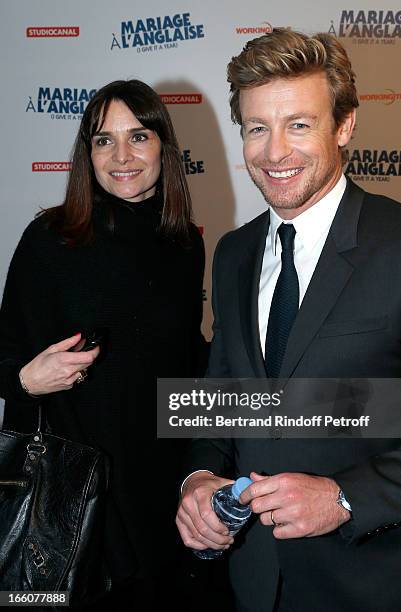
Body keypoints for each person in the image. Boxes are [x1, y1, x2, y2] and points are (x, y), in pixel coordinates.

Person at [176, 29, 401, 612]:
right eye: (257, 128)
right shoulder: (231, 253)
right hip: (253, 582)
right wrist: (198, 478)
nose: (274, 152)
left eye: (298, 125)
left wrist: (347, 498)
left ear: (345, 125)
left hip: (376, 582)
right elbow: (220, 394)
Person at [0, 79, 205, 608]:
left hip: (163, 488)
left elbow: (183, 360)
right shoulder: (52, 238)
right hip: (74, 496)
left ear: (164, 146)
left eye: (138, 136)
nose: (121, 156)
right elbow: (4, 355)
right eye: (102, 140)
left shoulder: (184, 244)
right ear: (86, 154)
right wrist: (26, 379)